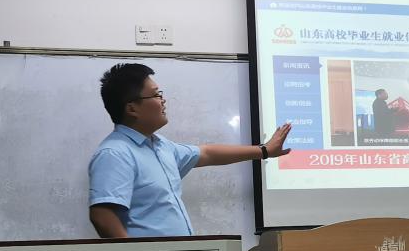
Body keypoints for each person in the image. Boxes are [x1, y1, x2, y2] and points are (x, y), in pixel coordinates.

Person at [88, 63, 291, 238]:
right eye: (156, 94)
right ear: (132, 108)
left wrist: (264, 151)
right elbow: (102, 215)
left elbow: (207, 153)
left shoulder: (161, 146)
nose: (163, 100)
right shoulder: (115, 153)